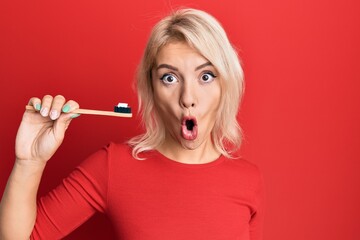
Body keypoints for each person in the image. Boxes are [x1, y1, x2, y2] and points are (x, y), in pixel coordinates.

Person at [0, 8, 264, 240]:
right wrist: (30, 162)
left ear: (225, 84)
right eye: (169, 78)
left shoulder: (248, 180)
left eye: (205, 76)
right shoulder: (113, 167)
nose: (188, 98)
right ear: (150, 88)